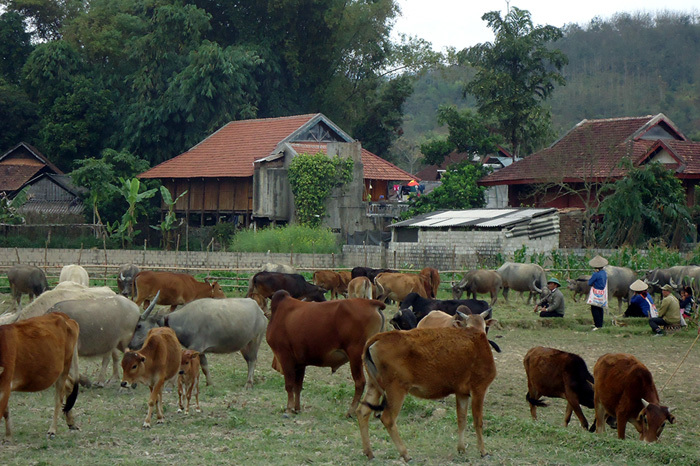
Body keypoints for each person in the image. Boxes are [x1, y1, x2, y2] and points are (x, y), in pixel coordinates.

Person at [588, 255, 608, 329]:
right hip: (603, 293)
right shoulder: (604, 273)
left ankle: (597, 325)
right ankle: (600, 324)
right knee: (600, 307)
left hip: (596, 293)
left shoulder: (595, 274)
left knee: (594, 308)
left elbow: (589, 283)